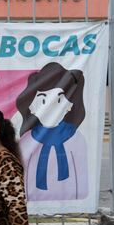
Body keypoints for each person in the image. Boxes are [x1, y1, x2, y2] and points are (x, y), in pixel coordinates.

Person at [16, 62, 87, 201]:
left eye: (58, 100)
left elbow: (82, 182)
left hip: (70, 202)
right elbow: (22, 178)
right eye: (43, 101)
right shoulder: (27, 140)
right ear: (32, 107)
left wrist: (79, 203)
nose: (50, 108)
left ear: (70, 105)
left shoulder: (76, 138)